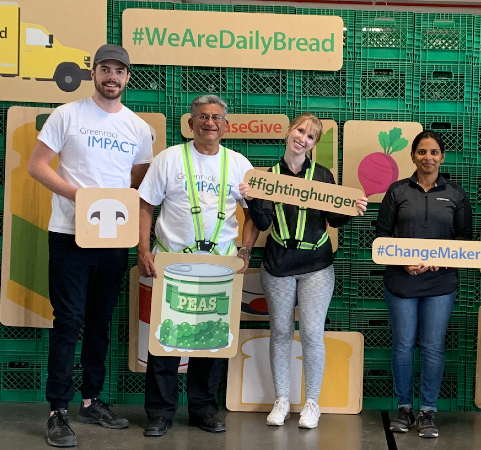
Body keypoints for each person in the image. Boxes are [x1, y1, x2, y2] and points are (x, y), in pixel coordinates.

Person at [27, 44, 152, 448]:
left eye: (119, 71)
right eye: (105, 69)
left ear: (127, 77)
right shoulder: (68, 115)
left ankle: (92, 400)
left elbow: (136, 181)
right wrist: (77, 196)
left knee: (100, 323)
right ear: (93, 73)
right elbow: (38, 165)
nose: (112, 77)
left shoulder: (137, 128)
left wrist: (114, 207)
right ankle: (57, 410)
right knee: (68, 322)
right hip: (68, 233)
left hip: (112, 239)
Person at [137, 94, 257, 437]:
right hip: (171, 265)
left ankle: (203, 409)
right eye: (202, 117)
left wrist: (245, 251)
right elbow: (145, 205)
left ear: (226, 125)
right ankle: (160, 412)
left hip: (220, 268)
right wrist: (143, 250)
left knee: (212, 340)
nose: (209, 123)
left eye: (216, 117)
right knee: (166, 340)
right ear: (190, 124)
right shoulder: (169, 159)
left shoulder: (237, 163)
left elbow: (253, 215)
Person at [237, 113, 367, 429]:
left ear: (313, 144)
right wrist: (252, 201)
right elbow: (264, 223)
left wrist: (352, 210)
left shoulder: (322, 176)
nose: (303, 138)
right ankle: (281, 400)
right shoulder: (266, 177)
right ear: (288, 131)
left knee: (310, 333)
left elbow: (333, 221)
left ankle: (312, 404)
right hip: (278, 265)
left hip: (316, 267)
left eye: (310, 136)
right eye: (300, 131)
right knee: (280, 332)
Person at [377, 131, 473, 439]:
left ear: (442, 157)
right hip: (400, 283)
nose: (427, 157)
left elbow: (465, 239)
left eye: (434, 152)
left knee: (432, 347)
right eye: (421, 152)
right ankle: (404, 408)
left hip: (441, 283)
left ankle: (427, 411)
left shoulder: (455, 194)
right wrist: (401, 260)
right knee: (403, 346)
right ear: (413, 156)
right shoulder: (396, 192)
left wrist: (443, 259)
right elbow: (381, 236)